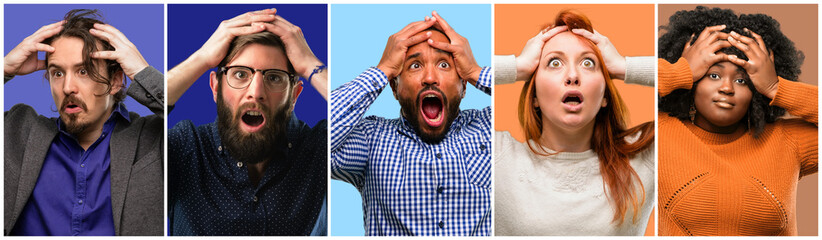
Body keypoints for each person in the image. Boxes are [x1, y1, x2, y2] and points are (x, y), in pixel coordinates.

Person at [166, 8, 327, 236]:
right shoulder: (186, 147)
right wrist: (202, 59)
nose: (256, 92)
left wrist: (310, 65)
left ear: (294, 95)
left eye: (273, 77)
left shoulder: (320, 148)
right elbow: (148, 121)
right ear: (215, 86)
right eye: (240, 74)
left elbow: (354, 119)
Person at [657, 6, 817, 236]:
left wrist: (776, 87)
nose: (726, 88)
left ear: (755, 90)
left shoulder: (789, 142)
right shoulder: (659, 134)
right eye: (713, 75)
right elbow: (609, 89)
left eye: (742, 81)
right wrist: (680, 71)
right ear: (694, 82)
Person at [493, 10, 655, 236]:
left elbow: (692, 82)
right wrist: (519, 66)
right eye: (555, 62)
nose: (572, 75)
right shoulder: (496, 157)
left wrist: (622, 66)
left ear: (605, 96)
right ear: (535, 97)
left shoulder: (644, 158)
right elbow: (458, 74)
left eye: (588, 63)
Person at [4, 9, 164, 236]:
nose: (68, 87)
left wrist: (143, 73)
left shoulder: (154, 139)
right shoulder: (17, 131)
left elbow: (199, 118)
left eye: (83, 71)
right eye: (57, 73)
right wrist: (4, 68)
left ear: (116, 80)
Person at [330, 11, 491, 236]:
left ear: (464, 86)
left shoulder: (487, 127)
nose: (430, 77)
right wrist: (382, 70)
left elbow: (535, 103)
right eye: (415, 66)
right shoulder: (371, 139)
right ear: (394, 88)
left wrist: (476, 72)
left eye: (444, 64)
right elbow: (317, 143)